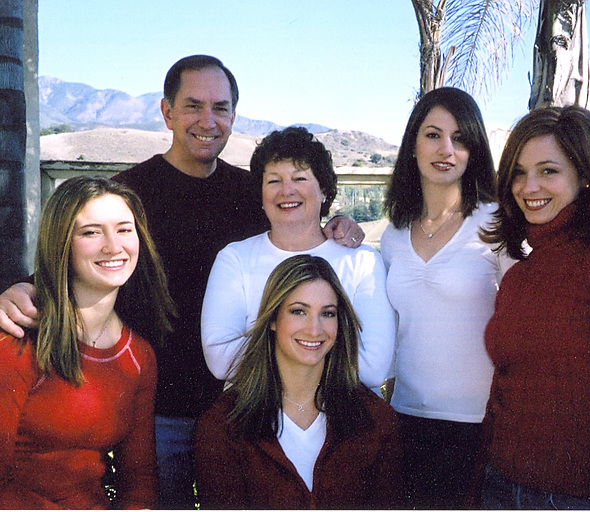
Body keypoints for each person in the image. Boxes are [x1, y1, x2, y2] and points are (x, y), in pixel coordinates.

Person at [0, 55, 363, 508]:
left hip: (244, 410)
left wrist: (340, 225)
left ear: (234, 115)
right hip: (156, 411)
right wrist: (20, 290)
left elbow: (300, 232)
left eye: (221, 108)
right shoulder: (130, 193)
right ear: (166, 112)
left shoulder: (252, 193)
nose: (207, 121)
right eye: (193, 106)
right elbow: (74, 258)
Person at [480, 106, 590, 509]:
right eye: (518, 172)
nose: (528, 186)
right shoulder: (519, 275)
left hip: (578, 499)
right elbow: (503, 390)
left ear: (585, 175)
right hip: (499, 487)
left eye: (548, 170)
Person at [0, 176, 175, 509]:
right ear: (61, 242)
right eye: (91, 232)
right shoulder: (17, 342)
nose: (113, 246)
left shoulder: (138, 356)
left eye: (124, 229)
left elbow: (138, 480)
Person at [380, 87, 513, 509]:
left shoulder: (497, 224)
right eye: (433, 135)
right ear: (413, 145)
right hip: (405, 421)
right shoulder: (393, 235)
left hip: (480, 427)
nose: (446, 150)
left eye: (460, 139)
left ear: (473, 151)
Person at [195, 254, 403, 508]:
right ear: (272, 319)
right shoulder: (224, 424)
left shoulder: (375, 419)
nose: (314, 329)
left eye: (327, 314)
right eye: (298, 311)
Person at [201, 126, 395, 392]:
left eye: (300, 179)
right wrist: (319, 346)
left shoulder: (361, 261)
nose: (286, 190)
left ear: (324, 189)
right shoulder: (235, 259)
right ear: (260, 194)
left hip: (344, 424)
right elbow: (221, 360)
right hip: (257, 421)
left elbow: (373, 368)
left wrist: (278, 344)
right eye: (273, 180)